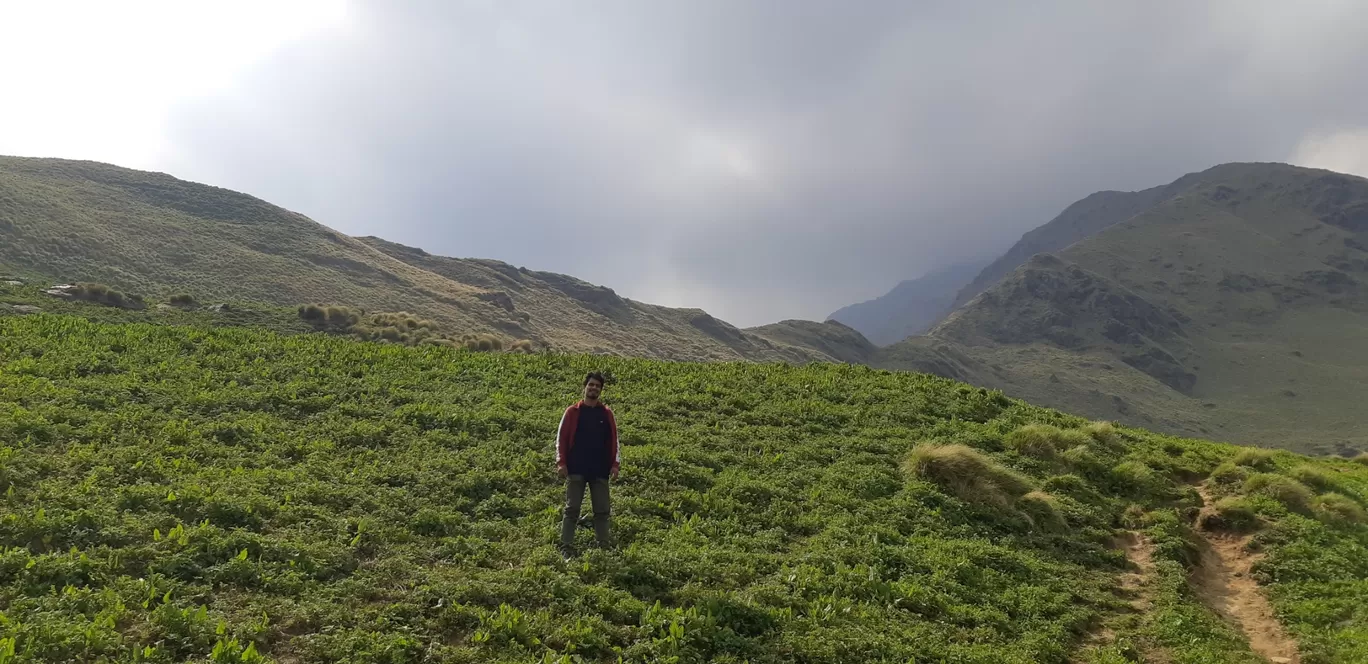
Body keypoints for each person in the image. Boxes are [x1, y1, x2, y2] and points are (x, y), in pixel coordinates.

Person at [556, 371, 620, 560]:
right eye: (591, 385)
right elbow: (561, 438)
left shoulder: (606, 413)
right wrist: (561, 462)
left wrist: (615, 465)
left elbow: (615, 441)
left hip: (600, 469)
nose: (593, 388)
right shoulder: (572, 412)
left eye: (597, 386)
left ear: (601, 390)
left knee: (602, 511)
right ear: (585, 387)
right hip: (576, 468)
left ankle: (603, 547)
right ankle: (566, 546)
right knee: (572, 509)